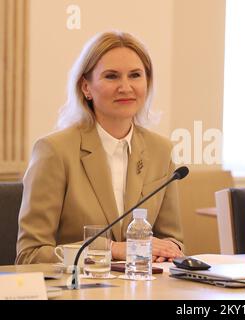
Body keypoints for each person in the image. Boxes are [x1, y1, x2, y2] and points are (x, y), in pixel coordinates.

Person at [16, 31, 184, 264]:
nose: (126, 87)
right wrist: (113, 249)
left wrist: (167, 252)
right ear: (86, 87)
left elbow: (172, 240)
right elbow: (30, 254)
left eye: (135, 75)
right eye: (112, 76)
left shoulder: (161, 150)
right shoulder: (54, 151)